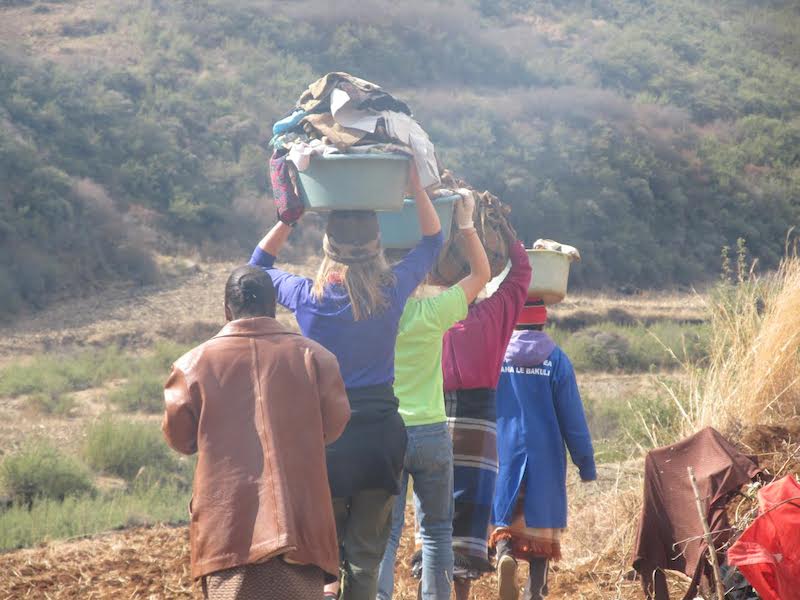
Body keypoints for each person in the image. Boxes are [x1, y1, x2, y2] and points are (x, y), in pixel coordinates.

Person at [249, 163, 443, 600]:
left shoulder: (306, 297)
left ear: (327, 247)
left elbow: (256, 265)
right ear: (379, 245)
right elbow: (434, 242)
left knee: (324, 562)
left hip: (326, 442)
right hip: (380, 442)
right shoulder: (392, 289)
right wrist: (414, 186)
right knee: (366, 560)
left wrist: (287, 218)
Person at [161, 265, 351, 600]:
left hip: (229, 533)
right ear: (274, 305)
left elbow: (180, 439)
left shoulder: (191, 365)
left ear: (226, 310)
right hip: (300, 527)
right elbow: (334, 426)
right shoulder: (317, 358)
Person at [376, 189, 491, 600]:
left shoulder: (372, 317)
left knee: (386, 535)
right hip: (430, 433)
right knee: (438, 533)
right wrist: (465, 224)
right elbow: (481, 274)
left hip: (388, 433)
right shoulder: (431, 314)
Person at [440, 224, 532, 600]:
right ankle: (460, 595)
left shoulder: (429, 317)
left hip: (435, 422)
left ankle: (431, 591)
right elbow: (523, 273)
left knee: (434, 520)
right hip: (480, 426)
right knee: (470, 520)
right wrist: (509, 235)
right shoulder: (495, 314)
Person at [490, 299, 597, 600]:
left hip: (504, 451)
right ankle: (534, 589)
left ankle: (503, 556)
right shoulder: (557, 360)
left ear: (512, 322)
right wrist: (585, 463)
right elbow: (572, 417)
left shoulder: (497, 356)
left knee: (505, 516)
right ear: (542, 323)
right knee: (541, 529)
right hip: (545, 458)